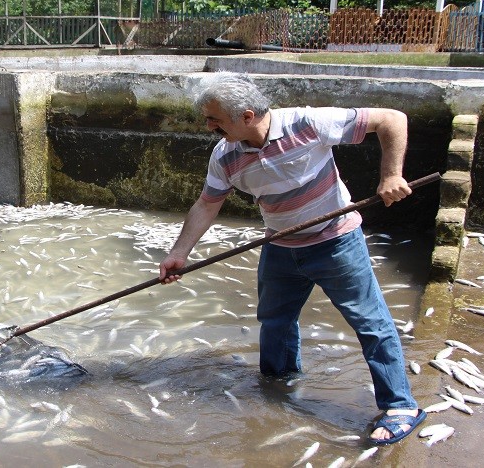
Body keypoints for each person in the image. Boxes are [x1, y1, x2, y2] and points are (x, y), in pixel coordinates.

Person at [158, 72, 424, 445]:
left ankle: (401, 406)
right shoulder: (226, 155)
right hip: (280, 247)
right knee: (275, 323)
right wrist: (179, 254)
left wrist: (391, 175)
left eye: (215, 119)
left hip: (336, 243)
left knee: (370, 323)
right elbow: (207, 204)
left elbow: (392, 119)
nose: (209, 126)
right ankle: (279, 386)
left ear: (247, 116)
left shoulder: (308, 122)